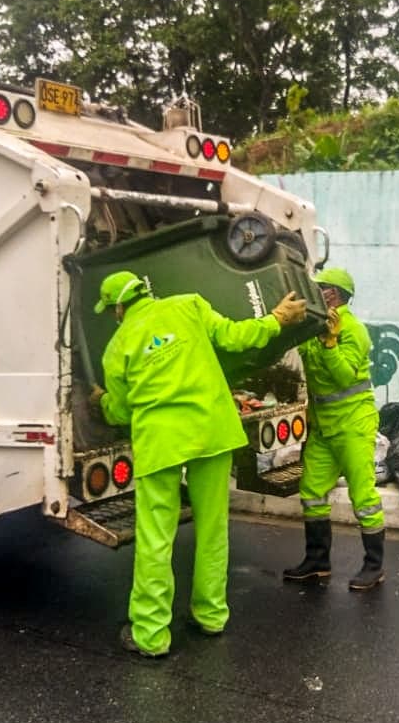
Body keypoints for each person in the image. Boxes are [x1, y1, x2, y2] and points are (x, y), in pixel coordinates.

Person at [90, 269, 308, 659]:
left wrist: (99, 400)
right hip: (211, 430)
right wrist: (276, 318)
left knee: (156, 538)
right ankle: (210, 616)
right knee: (213, 528)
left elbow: (121, 410)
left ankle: (151, 635)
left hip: (162, 441)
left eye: (112, 310)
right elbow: (236, 337)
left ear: (118, 307)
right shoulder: (189, 304)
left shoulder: (116, 346)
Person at [284, 266, 385, 591]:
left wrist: (330, 345)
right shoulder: (316, 325)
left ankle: (374, 567)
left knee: (364, 498)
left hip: (354, 424)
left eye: (321, 288)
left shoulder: (353, 330)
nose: (316, 292)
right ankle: (317, 561)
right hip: (325, 426)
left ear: (335, 294)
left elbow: (342, 377)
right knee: (312, 492)